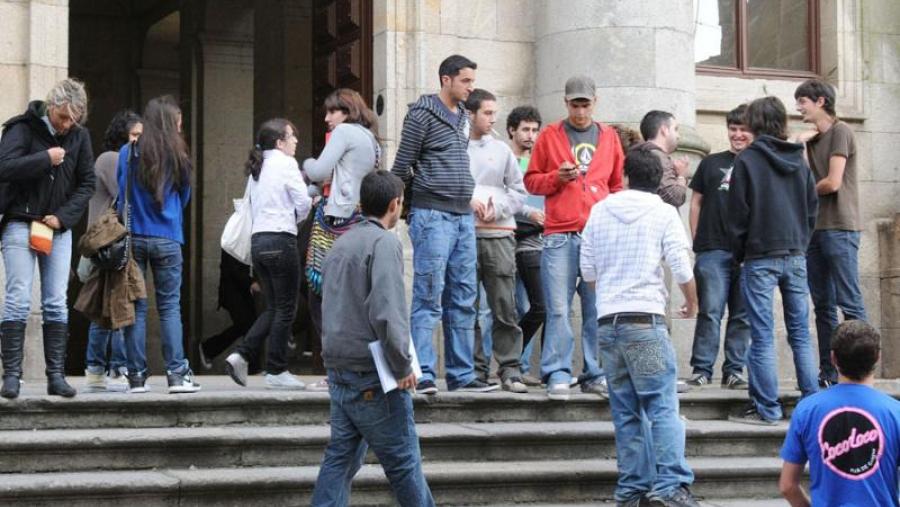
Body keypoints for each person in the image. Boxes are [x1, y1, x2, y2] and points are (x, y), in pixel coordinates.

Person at [581, 144, 700, 507]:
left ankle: (632, 491)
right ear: (659, 180)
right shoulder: (664, 213)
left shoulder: (599, 211)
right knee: (661, 405)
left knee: (626, 411)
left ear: (625, 176)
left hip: (608, 324)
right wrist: (691, 301)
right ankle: (670, 487)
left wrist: (613, 294)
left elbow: (587, 272)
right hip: (645, 321)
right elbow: (681, 266)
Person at [311, 170, 434, 507]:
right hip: (373, 374)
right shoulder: (385, 243)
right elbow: (387, 310)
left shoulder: (341, 243)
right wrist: (402, 364)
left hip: (340, 368)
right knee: (404, 463)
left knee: (340, 459)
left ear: (362, 204)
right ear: (395, 204)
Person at [391, 54, 496, 394]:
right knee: (429, 295)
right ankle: (422, 372)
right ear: (446, 79)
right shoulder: (420, 115)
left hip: (462, 216)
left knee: (464, 297)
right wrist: (402, 208)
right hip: (432, 215)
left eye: (472, 81)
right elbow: (401, 165)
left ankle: (461, 375)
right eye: (465, 81)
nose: (471, 87)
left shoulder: (464, 119)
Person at [523, 75, 624, 400]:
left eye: (585, 104)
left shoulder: (609, 136)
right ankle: (558, 372)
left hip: (596, 234)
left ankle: (595, 372)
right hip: (559, 234)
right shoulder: (550, 135)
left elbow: (616, 184)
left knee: (597, 308)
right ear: (566, 103)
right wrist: (556, 178)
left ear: (595, 102)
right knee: (557, 308)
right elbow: (531, 182)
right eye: (574, 104)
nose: (580, 111)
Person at [0, 78, 96, 399]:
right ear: (51, 106)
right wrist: (46, 158)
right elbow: (5, 167)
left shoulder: (80, 138)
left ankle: (56, 375)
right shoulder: (22, 128)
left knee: (56, 301)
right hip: (20, 222)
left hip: (56, 228)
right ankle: (11, 376)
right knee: (18, 298)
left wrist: (63, 217)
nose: (67, 125)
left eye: (73, 119)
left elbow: (87, 184)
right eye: (62, 117)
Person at [727, 96, 819, 425]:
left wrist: (739, 254)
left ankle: (767, 410)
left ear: (754, 123)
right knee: (800, 333)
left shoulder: (748, 160)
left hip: (760, 256)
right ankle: (811, 406)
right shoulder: (799, 159)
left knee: (762, 334)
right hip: (795, 254)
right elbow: (812, 209)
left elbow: (737, 215)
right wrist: (801, 244)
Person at [302, 88, 381, 392]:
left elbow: (319, 170)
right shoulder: (371, 140)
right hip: (361, 221)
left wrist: (307, 163)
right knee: (352, 298)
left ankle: (334, 370)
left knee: (323, 295)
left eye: (332, 112)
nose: (327, 118)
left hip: (336, 222)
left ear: (346, 111)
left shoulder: (345, 132)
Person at [118, 95, 199, 394]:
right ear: (171, 123)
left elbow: (121, 192)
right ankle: (177, 375)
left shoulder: (129, 152)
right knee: (169, 308)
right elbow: (186, 197)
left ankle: (136, 377)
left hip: (135, 237)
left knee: (136, 309)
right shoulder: (179, 156)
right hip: (168, 238)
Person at [226, 118, 311, 390]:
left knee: (274, 307)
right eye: (291, 136)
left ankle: (242, 354)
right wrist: (300, 211)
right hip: (281, 239)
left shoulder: (258, 169)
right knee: (287, 308)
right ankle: (276, 369)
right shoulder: (286, 164)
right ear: (279, 142)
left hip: (258, 242)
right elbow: (302, 204)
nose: (296, 141)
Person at [795, 79, 868, 388]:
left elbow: (832, 182)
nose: (798, 106)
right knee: (822, 307)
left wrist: (808, 192)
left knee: (850, 304)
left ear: (821, 101)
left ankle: (862, 372)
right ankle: (828, 374)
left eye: (803, 101)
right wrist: (800, 146)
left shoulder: (841, 131)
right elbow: (805, 180)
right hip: (814, 231)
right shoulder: (811, 142)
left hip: (840, 227)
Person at [780, 320, 900, 507]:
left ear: (833, 358)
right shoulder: (895, 412)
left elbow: (787, 486)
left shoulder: (807, 409)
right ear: (877, 357)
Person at [465, 89, 528, 393]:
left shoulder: (502, 150)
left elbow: (518, 191)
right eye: (487, 113)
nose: (493, 119)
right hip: (464, 233)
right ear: (471, 113)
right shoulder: (455, 146)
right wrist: (469, 201)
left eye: (494, 112)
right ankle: (475, 370)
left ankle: (510, 368)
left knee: (504, 304)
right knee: (468, 307)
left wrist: (498, 208)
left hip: (499, 234)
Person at [685, 104, 752, 389]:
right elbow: (696, 202)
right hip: (712, 250)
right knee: (710, 311)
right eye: (732, 129)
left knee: (742, 315)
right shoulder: (711, 163)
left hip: (749, 254)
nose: (737, 135)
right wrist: (698, 241)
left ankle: (734, 370)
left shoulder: (760, 165)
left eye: (743, 130)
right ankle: (702, 370)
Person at [82, 109, 142, 393]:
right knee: (109, 305)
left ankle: (102, 368)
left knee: (110, 305)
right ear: (122, 136)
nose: (138, 141)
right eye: (134, 136)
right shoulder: (112, 159)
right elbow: (126, 194)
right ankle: (109, 368)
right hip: (107, 243)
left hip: (112, 242)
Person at [508, 105, 544, 386]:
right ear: (512, 130)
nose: (531, 135)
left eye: (535, 130)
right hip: (505, 238)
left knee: (528, 305)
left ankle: (519, 365)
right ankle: (501, 362)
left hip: (532, 240)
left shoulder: (537, 164)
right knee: (495, 307)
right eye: (526, 129)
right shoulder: (505, 158)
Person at [197, 249, 262, 372]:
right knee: (249, 326)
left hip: (241, 291)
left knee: (250, 326)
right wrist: (251, 283)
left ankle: (209, 348)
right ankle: (253, 368)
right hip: (232, 291)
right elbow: (232, 269)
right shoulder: (233, 241)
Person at [637, 110, 689, 208]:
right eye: (675, 129)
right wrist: (682, 176)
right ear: (664, 130)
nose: (679, 136)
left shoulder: (640, 154)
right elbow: (674, 198)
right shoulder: (657, 157)